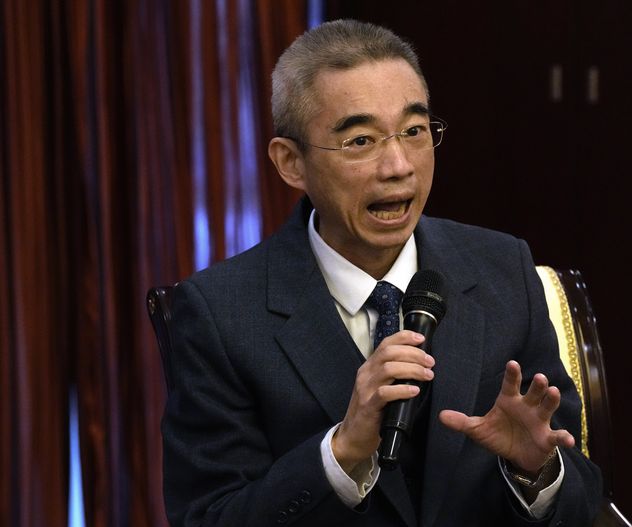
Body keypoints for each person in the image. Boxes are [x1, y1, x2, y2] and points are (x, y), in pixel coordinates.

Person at [162, 19, 602, 527]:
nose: (398, 165)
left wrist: (537, 471)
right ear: (291, 163)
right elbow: (209, 517)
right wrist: (341, 452)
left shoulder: (503, 270)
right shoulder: (220, 313)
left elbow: (585, 496)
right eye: (360, 141)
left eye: (414, 132)